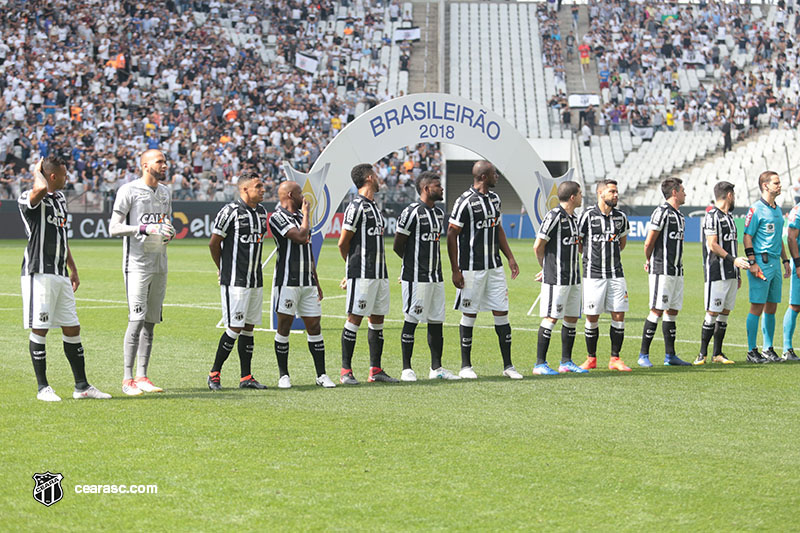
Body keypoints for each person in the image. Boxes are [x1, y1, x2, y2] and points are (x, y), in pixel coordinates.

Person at [18, 156, 110, 401]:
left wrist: (73, 268)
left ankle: (82, 386)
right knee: (41, 328)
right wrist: (37, 170)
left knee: (72, 327)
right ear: (52, 176)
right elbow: (38, 188)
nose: (68, 178)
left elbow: (62, 236)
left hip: (60, 272)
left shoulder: (59, 199)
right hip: (39, 272)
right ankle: (43, 388)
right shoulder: (28, 197)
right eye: (64, 174)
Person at [447, 160, 521, 380]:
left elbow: (498, 229)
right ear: (482, 177)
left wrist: (510, 257)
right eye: (493, 173)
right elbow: (451, 234)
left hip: (494, 267)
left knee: (502, 313)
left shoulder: (495, 199)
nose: (497, 176)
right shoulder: (465, 202)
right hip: (471, 269)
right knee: (469, 314)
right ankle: (465, 366)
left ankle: (508, 366)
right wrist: (455, 269)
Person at [109, 149, 174, 395]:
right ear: (145, 166)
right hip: (136, 264)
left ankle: (142, 376)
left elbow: (165, 221)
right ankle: (127, 380)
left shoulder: (166, 191)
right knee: (135, 320)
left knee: (150, 322)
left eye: (165, 161)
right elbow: (113, 228)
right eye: (159, 162)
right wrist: (141, 227)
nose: (164, 165)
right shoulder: (128, 190)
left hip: (159, 262)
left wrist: (169, 231)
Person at [268, 181, 336, 388]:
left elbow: (308, 250)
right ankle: (283, 375)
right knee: (284, 326)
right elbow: (299, 236)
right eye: (300, 193)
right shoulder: (278, 217)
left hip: (307, 282)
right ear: (290, 195)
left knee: (314, 325)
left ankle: (321, 375)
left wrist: (317, 280)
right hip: (288, 281)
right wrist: (306, 213)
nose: (304, 198)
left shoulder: (300, 217)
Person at [206, 172, 270, 391]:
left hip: (255, 279)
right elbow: (214, 243)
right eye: (258, 186)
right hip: (235, 280)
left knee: (249, 328)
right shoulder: (230, 211)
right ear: (245, 189)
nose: (263, 189)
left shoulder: (262, 212)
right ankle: (214, 374)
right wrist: (221, 268)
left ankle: (246, 377)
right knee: (234, 326)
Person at [393, 172, 459, 381]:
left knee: (436, 321)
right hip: (416, 277)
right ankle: (406, 369)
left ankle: (436, 368)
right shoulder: (411, 212)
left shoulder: (439, 213)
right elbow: (398, 245)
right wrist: (410, 266)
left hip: (436, 276)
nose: (441, 189)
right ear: (426, 189)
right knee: (411, 319)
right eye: (437, 186)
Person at [338, 163, 398, 384]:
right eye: (377, 175)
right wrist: (351, 269)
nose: (380, 178)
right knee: (355, 318)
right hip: (362, 273)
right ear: (370, 177)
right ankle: (346, 371)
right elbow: (343, 243)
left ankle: (375, 370)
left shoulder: (374, 207)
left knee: (378, 319)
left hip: (380, 274)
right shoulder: (356, 207)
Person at [576, 179, 632, 372]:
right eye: (612, 192)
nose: (616, 195)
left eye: (617, 192)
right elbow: (579, 243)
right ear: (601, 193)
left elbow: (622, 243)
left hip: (616, 273)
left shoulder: (621, 218)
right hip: (593, 274)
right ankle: (591, 358)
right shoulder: (587, 216)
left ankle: (615, 358)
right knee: (592, 316)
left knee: (619, 314)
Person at [533, 181, 585, 375]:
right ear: (572, 197)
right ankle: (540, 364)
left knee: (571, 318)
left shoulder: (574, 218)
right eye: (579, 194)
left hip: (573, 277)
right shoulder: (554, 216)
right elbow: (538, 245)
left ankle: (566, 362)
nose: (581, 197)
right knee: (551, 317)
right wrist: (545, 268)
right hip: (556, 277)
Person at [638, 178, 692, 367]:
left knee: (673, 310)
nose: (685, 193)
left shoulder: (680, 216)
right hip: (662, 269)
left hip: (677, 270)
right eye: (683, 190)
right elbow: (649, 241)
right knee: (657, 309)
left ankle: (670, 355)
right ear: (675, 192)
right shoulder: (661, 212)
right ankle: (643, 354)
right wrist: (649, 260)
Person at [696, 182, 751, 365]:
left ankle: (717, 353)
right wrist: (733, 260)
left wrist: (737, 273)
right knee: (712, 312)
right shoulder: (712, 215)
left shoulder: (729, 217)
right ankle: (702, 354)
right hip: (716, 272)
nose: (734, 198)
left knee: (725, 313)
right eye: (733, 194)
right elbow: (712, 244)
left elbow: (733, 246)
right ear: (729, 195)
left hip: (731, 272)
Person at [743, 171, 791, 363]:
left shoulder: (777, 210)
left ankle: (768, 349)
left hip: (775, 262)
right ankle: (750, 350)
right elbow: (747, 236)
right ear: (765, 186)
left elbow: (778, 237)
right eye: (776, 183)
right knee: (757, 306)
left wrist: (786, 261)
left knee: (772, 307)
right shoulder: (755, 209)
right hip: (761, 262)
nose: (779, 186)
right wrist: (752, 263)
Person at [783, 196, 800, 361]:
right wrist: (798, 263)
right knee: (795, 305)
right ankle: (787, 348)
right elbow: (791, 237)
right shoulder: (798, 211)